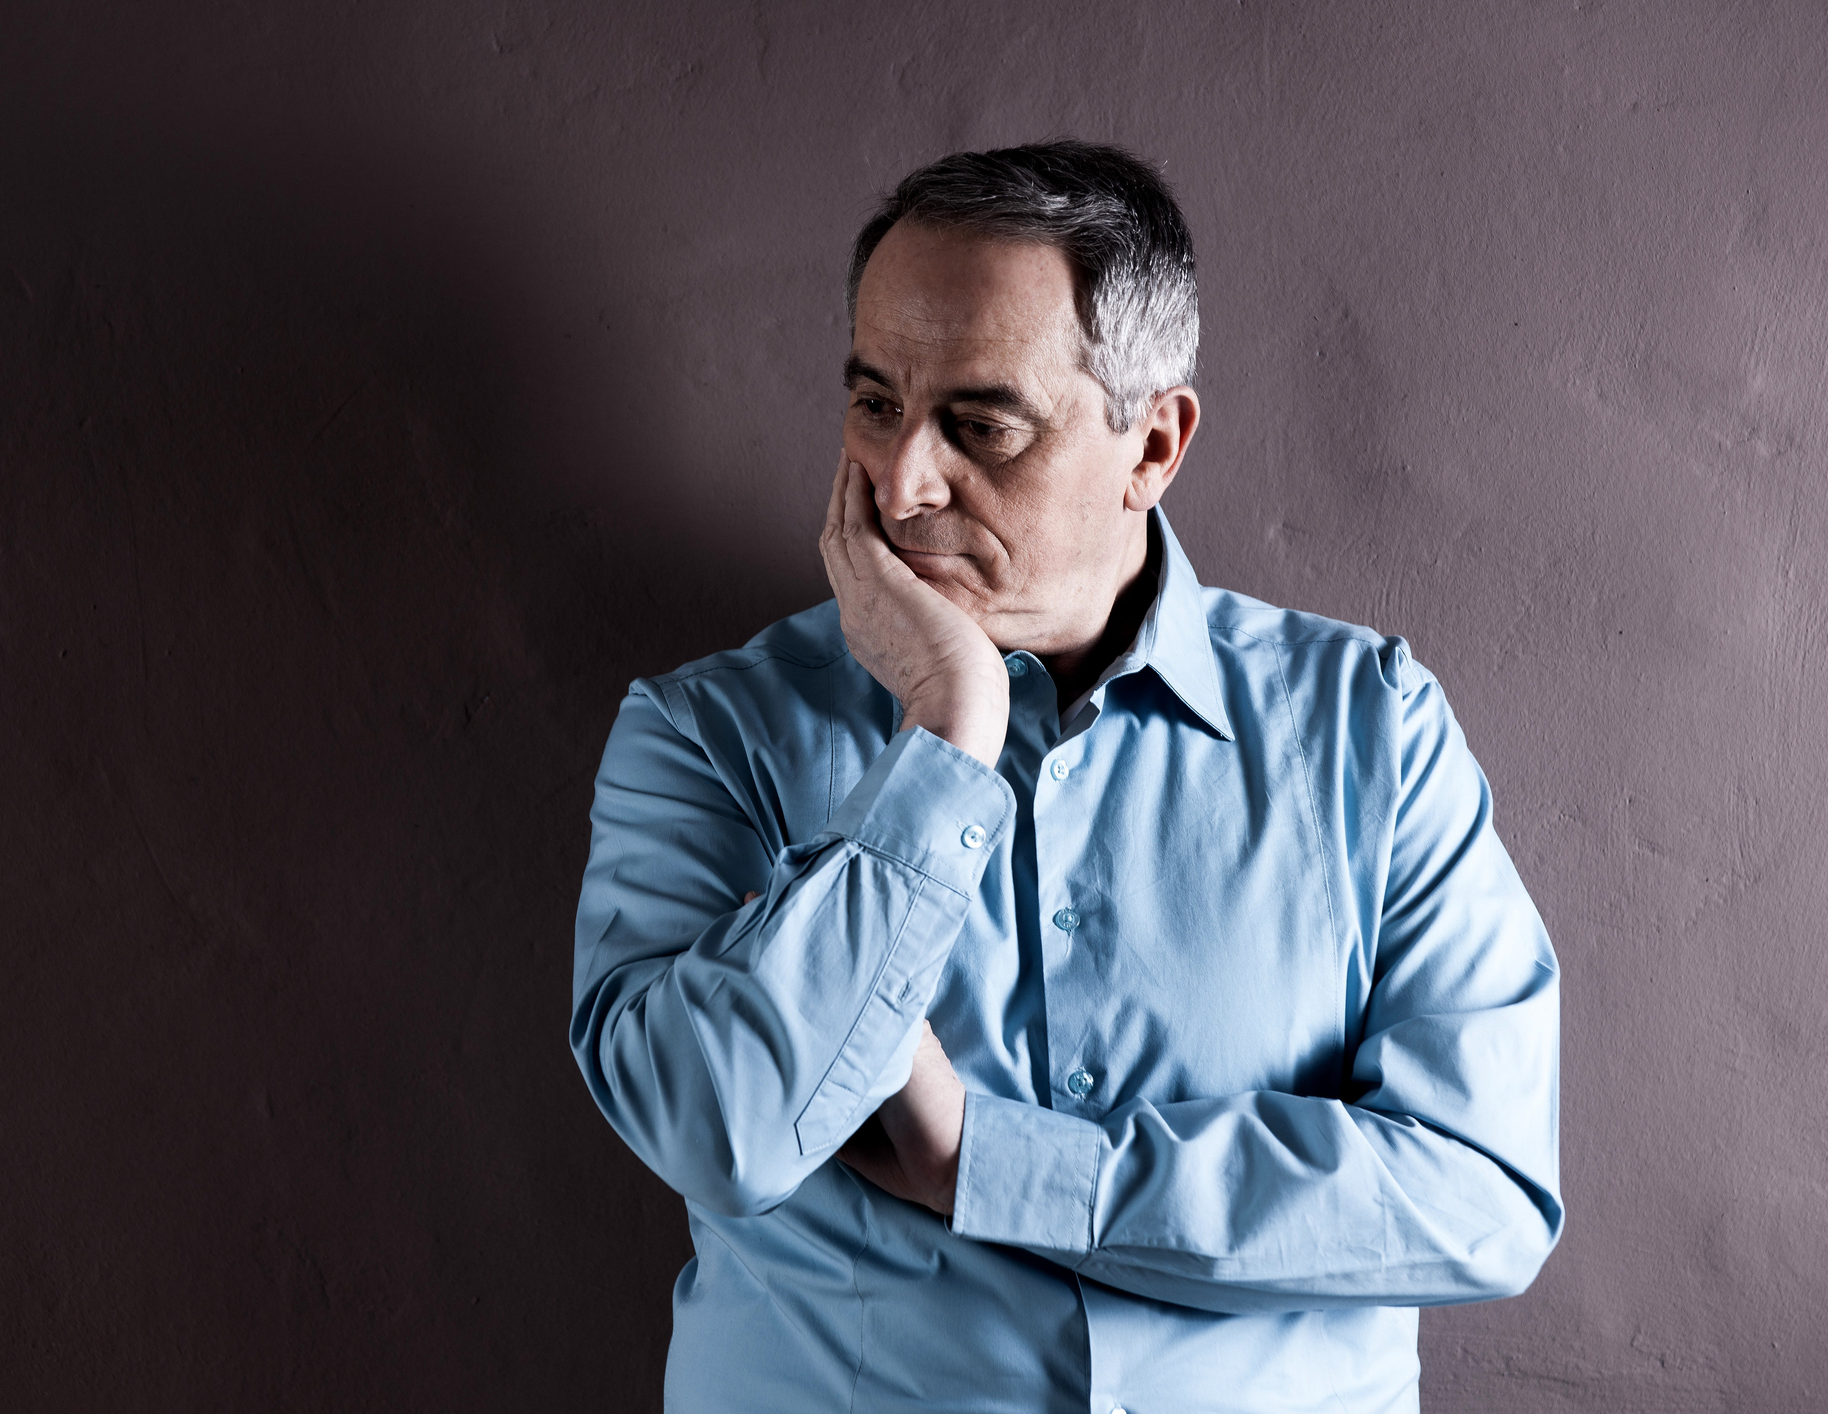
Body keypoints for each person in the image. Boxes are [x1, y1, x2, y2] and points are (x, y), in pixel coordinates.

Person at [569, 141, 1561, 1414]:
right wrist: (944, 739)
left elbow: (1482, 1196)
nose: (904, 484)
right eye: (875, 404)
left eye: (982, 426)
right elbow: (722, 1132)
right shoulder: (707, 737)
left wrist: (989, 1164)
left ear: (1153, 444)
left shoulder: (1370, 730)